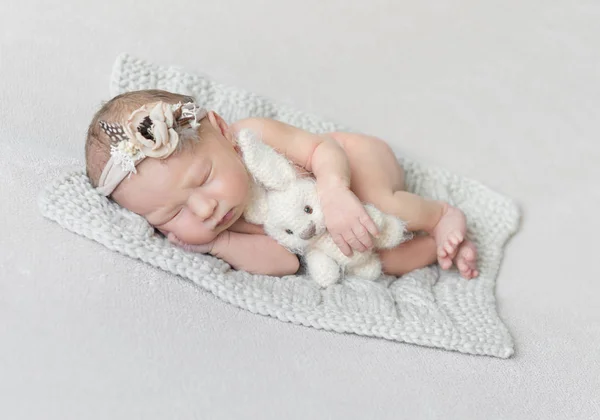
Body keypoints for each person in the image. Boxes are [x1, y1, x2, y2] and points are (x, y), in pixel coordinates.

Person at [85, 89, 479, 279]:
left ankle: (440, 215)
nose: (204, 209)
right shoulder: (220, 227)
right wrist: (219, 244)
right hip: (326, 232)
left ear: (222, 131)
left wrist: (336, 191)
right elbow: (288, 262)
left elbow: (320, 148)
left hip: (353, 165)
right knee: (377, 260)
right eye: (172, 213)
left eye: (204, 179)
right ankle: (440, 248)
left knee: (381, 206)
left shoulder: (253, 137)